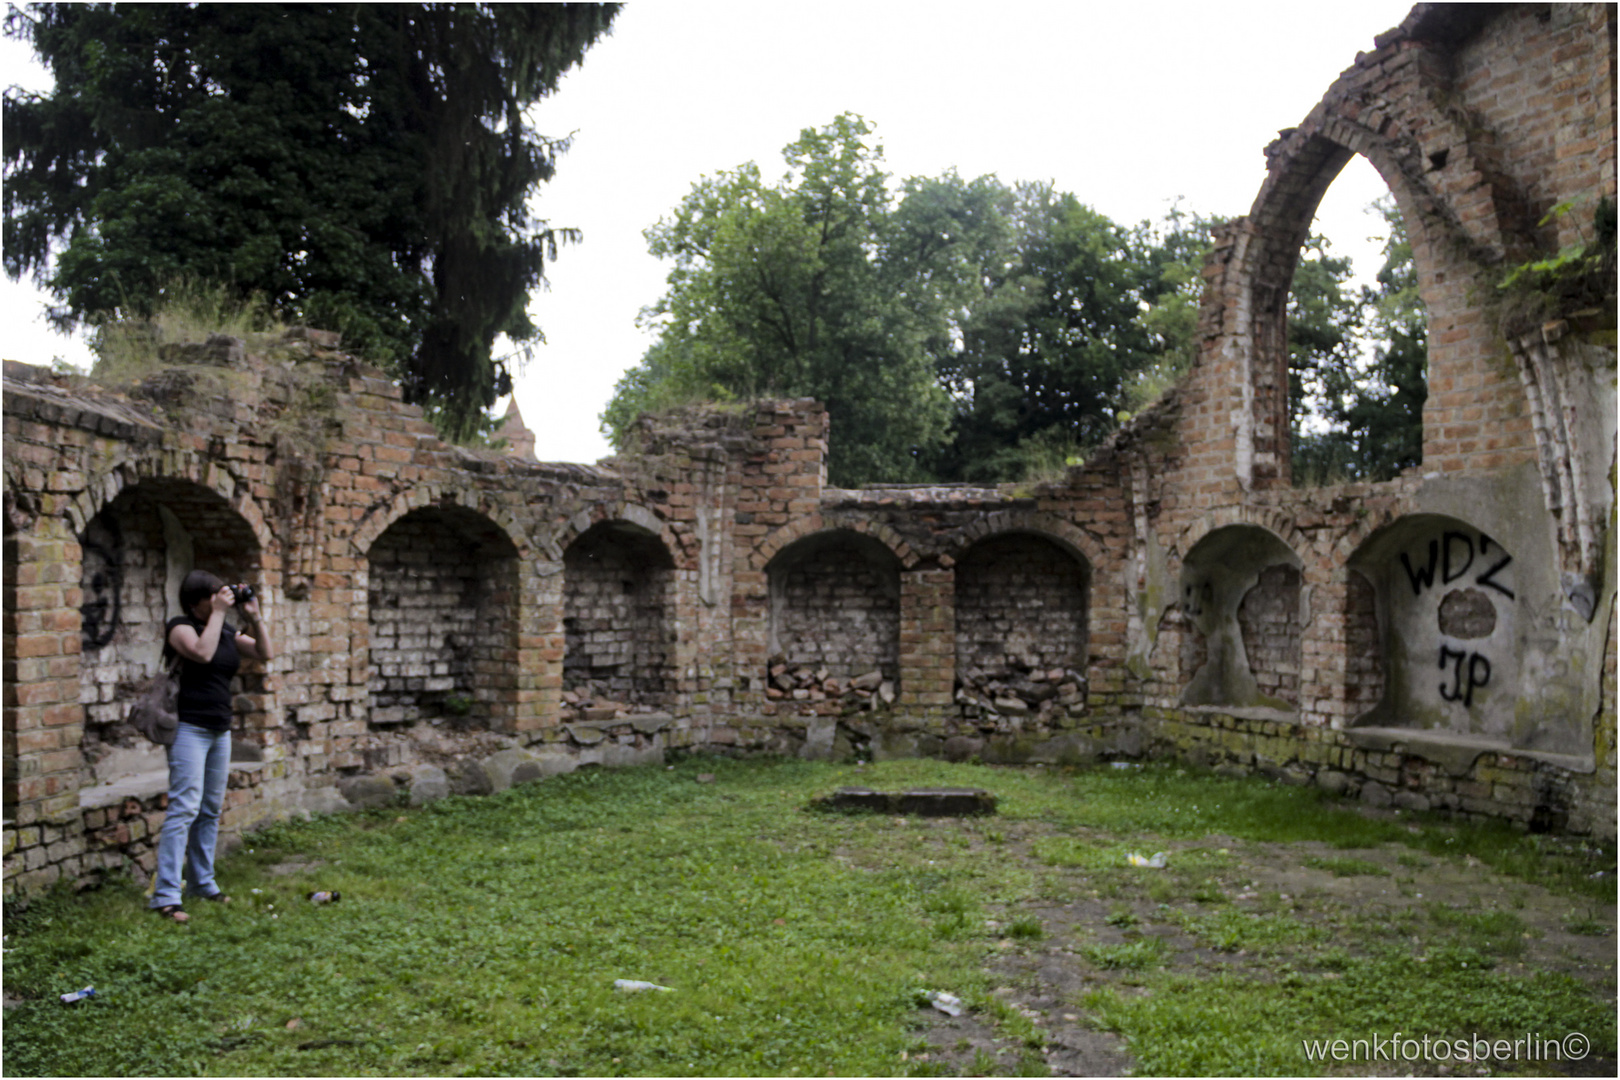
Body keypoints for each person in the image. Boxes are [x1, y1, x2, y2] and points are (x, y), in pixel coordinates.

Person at [148, 570, 274, 922]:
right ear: (195, 601)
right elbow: (202, 654)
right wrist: (219, 613)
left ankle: (202, 883)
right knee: (184, 808)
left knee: (209, 809)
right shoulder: (180, 627)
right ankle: (166, 896)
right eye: (214, 597)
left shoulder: (227, 631)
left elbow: (265, 653)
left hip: (220, 730)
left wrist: (255, 617)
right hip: (188, 728)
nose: (222, 601)